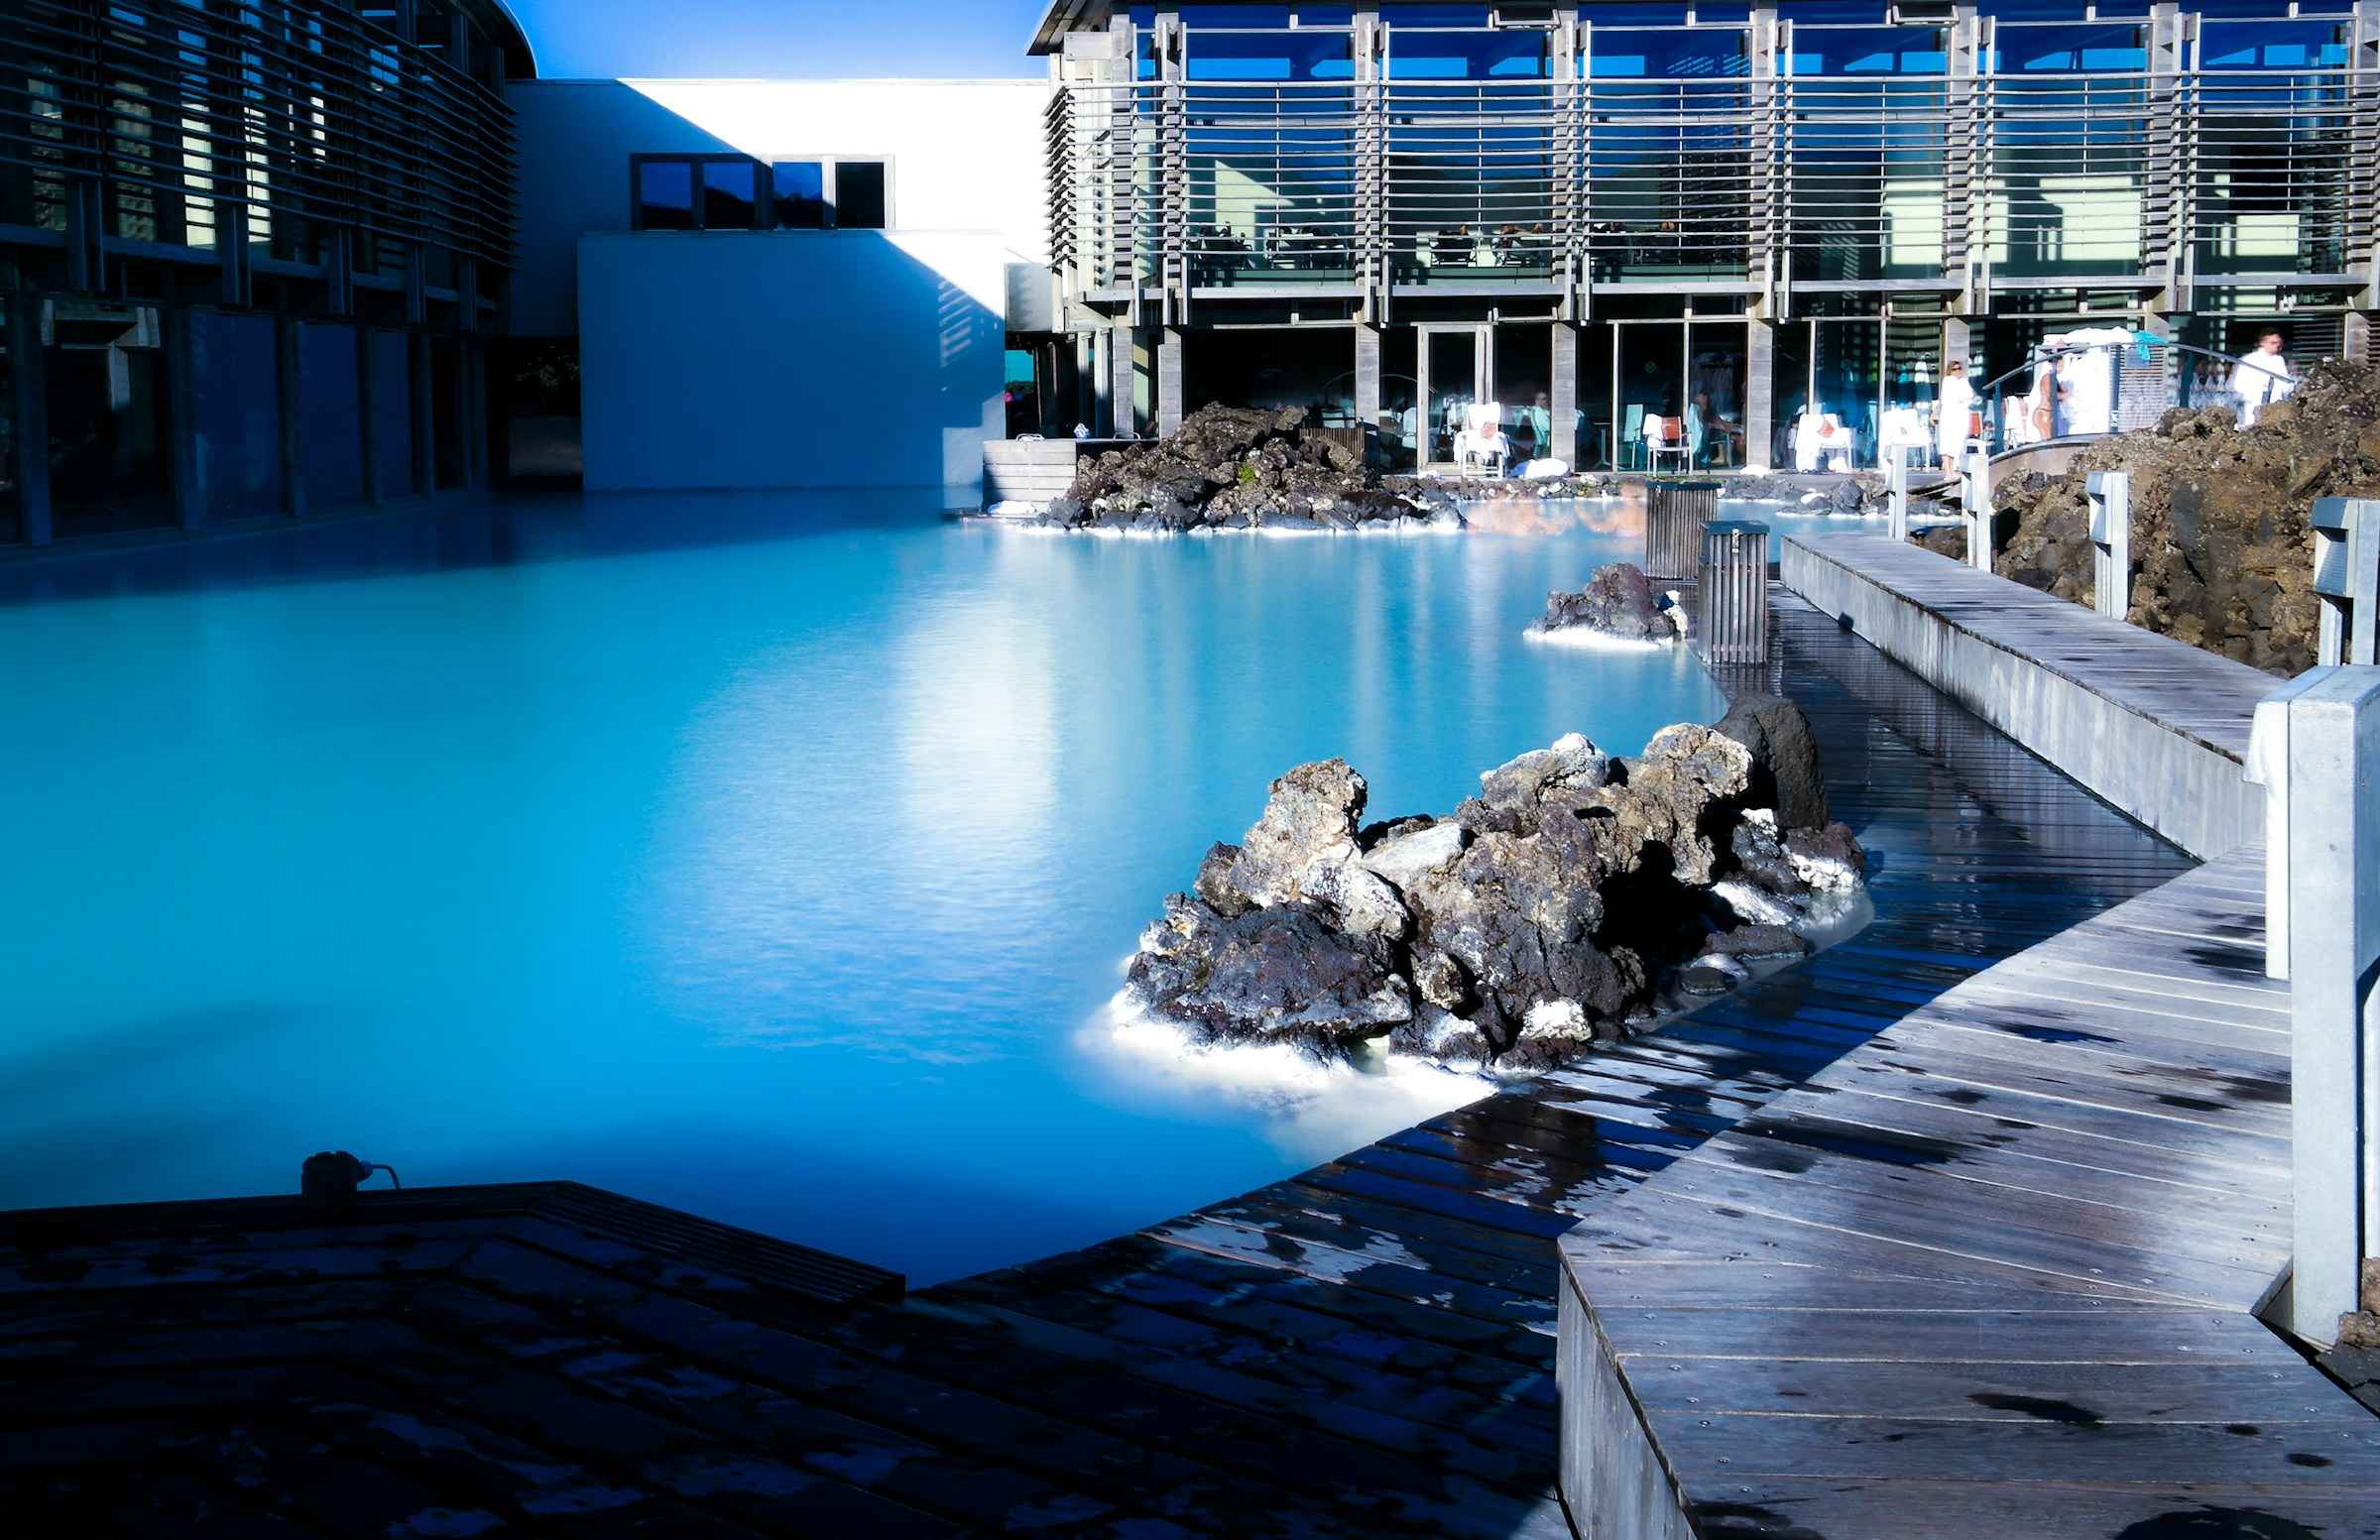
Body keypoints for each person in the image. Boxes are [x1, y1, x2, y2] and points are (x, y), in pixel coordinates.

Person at [2229, 328, 2296, 427]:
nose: (2277, 345)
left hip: (2275, 404)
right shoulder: (2249, 360)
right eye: (2273, 342)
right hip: (2253, 405)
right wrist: (2259, 385)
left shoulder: (2279, 360)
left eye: (2279, 343)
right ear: (2262, 343)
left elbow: (2285, 384)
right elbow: (2238, 384)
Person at [1936, 360, 1975, 475]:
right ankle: (1948, 471)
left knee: (1958, 442)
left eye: (1959, 368)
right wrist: (1962, 398)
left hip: (1962, 414)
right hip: (1950, 414)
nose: (1957, 371)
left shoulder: (1964, 381)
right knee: (1948, 441)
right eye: (1954, 369)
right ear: (1950, 371)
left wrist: (1962, 399)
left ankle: (1953, 467)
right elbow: (1948, 398)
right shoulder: (1948, 381)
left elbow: (1970, 395)